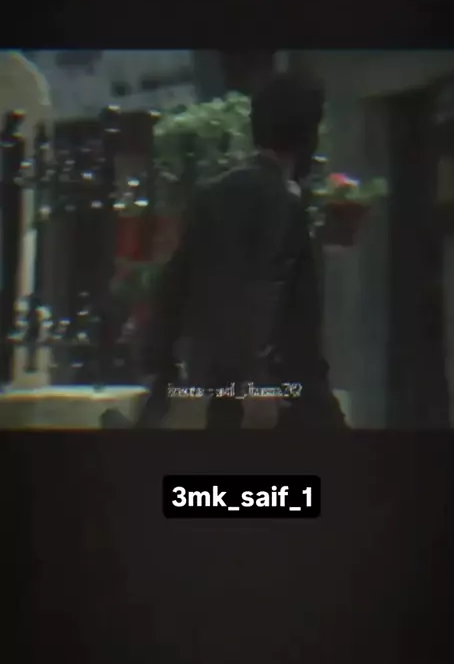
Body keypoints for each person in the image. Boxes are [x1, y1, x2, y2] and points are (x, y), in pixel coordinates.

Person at [133, 71, 346, 430]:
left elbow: (171, 291)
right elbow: (276, 303)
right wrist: (261, 381)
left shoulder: (211, 194)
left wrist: (162, 374)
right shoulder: (285, 204)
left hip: (216, 394)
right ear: (307, 137)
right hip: (274, 400)